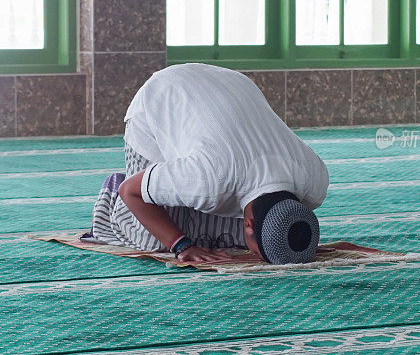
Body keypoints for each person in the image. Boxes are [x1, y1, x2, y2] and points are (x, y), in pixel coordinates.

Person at [88, 63, 329, 266]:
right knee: (152, 239)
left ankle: (165, 186)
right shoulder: (209, 179)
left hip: (232, 84)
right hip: (161, 99)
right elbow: (129, 192)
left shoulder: (315, 181)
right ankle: (118, 195)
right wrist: (181, 245)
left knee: (220, 228)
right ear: (249, 223)